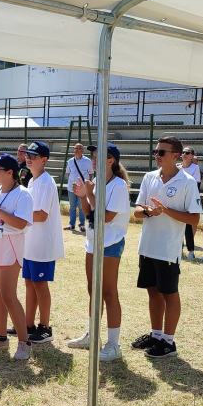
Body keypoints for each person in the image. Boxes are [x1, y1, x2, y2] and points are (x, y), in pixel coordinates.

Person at [131, 136, 201, 359]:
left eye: (161, 152)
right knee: (152, 291)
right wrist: (150, 212)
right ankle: (156, 334)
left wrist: (166, 210)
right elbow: (137, 211)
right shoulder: (149, 177)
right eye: (155, 151)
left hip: (168, 249)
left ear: (176, 155)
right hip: (148, 245)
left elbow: (194, 219)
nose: (157, 156)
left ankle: (169, 342)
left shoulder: (187, 182)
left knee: (169, 293)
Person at [67, 143, 130, 361]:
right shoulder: (95, 182)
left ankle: (114, 344)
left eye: (97, 156)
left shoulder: (118, 185)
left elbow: (107, 217)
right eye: (92, 156)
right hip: (93, 243)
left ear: (110, 160)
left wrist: (89, 194)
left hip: (110, 244)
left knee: (109, 292)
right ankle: (92, 335)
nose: (92, 159)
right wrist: (83, 196)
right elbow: (88, 212)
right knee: (93, 291)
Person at [0, 154, 33, 360]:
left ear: (10, 172)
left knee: (8, 294)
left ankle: (24, 342)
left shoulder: (23, 194)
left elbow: (21, 223)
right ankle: (1, 337)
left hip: (11, 245)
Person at [21, 141, 64, 344]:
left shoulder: (46, 182)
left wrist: (17, 215)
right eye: (28, 154)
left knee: (40, 284)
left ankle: (45, 327)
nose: (29, 158)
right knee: (30, 284)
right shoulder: (32, 181)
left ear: (44, 160)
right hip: (30, 242)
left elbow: (41, 215)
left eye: (34, 155)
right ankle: (27, 324)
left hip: (42, 243)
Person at [179, 146, 201, 259]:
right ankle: (178, 248)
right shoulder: (177, 167)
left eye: (187, 153)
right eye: (183, 152)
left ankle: (191, 251)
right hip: (179, 199)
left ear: (192, 156)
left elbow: (196, 185)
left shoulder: (195, 168)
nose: (184, 154)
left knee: (188, 225)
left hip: (190, 199)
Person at [64, 143, 93, 232]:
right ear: (74, 150)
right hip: (71, 188)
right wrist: (73, 182)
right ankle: (71, 224)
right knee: (72, 206)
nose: (77, 150)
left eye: (80, 148)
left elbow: (91, 173)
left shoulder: (88, 161)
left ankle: (82, 225)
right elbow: (68, 173)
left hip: (83, 188)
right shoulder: (70, 161)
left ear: (83, 150)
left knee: (81, 207)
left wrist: (86, 185)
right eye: (76, 148)